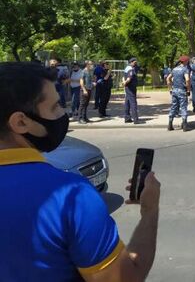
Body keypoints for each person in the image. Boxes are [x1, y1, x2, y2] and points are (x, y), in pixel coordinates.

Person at [0, 62, 160, 281]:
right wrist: (150, 211)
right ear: (20, 122)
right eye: (55, 107)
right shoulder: (70, 194)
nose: (63, 113)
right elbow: (124, 277)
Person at [167, 56, 191, 132]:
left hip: (174, 90)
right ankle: (184, 125)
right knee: (183, 107)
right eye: (187, 61)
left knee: (174, 107)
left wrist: (170, 89)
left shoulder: (174, 69)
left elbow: (168, 78)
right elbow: (187, 79)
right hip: (182, 91)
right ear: (185, 62)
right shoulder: (185, 69)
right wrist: (188, 90)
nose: (188, 62)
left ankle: (170, 124)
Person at [123, 57, 140, 124]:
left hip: (127, 88)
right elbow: (129, 78)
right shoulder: (130, 69)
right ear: (131, 62)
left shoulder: (126, 68)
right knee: (133, 103)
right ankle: (135, 119)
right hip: (131, 88)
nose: (136, 64)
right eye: (135, 62)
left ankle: (127, 118)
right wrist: (125, 82)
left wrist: (124, 83)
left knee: (127, 102)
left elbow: (123, 77)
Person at [78, 60, 95, 124]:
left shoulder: (90, 71)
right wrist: (84, 90)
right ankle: (80, 119)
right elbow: (81, 82)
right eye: (91, 64)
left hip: (89, 89)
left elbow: (90, 80)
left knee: (86, 104)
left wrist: (93, 83)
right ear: (87, 65)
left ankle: (84, 117)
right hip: (84, 90)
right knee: (82, 104)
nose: (92, 65)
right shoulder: (83, 72)